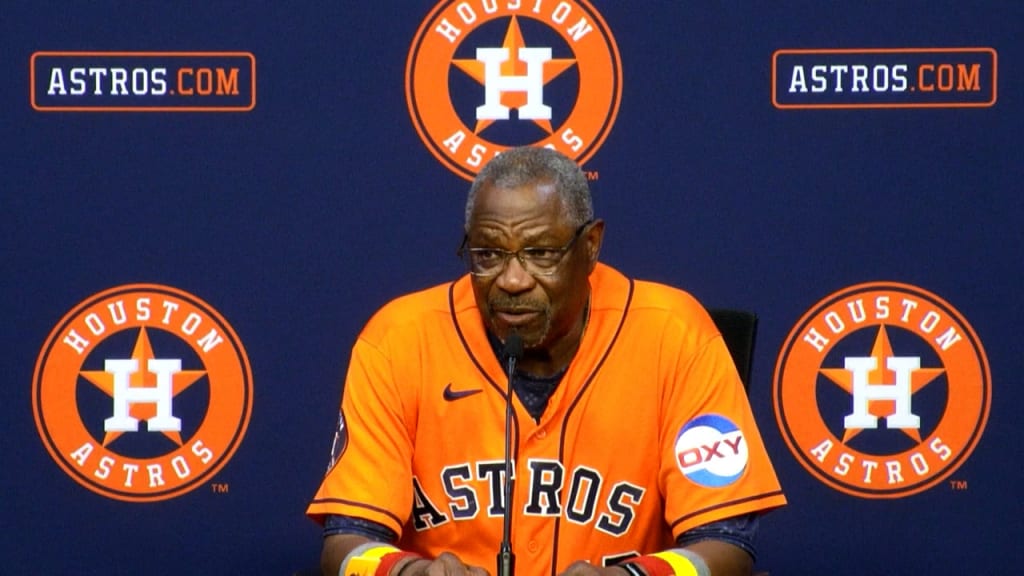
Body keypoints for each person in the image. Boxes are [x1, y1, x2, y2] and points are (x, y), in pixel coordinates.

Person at [307, 146, 786, 576]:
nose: (512, 280)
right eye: (488, 254)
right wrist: (406, 573)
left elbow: (727, 544)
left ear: (591, 246)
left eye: (540, 253)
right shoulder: (399, 340)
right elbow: (346, 544)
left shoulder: (676, 334)